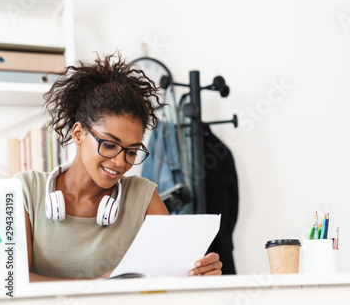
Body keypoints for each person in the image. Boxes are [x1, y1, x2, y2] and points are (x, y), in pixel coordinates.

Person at [16, 53, 222, 281]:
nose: (120, 162)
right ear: (78, 133)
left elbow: (173, 280)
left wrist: (199, 272)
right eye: (110, 144)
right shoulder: (25, 191)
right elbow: (10, 283)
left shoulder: (143, 198)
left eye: (132, 151)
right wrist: (97, 286)